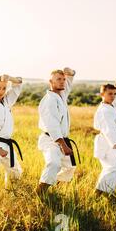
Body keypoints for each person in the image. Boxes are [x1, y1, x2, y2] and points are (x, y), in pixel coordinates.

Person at [36, 68, 79, 196]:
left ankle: (57, 191)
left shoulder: (61, 95)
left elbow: (69, 81)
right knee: (53, 163)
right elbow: (52, 125)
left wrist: (70, 72)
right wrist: (63, 145)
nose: (62, 82)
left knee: (70, 167)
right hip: (51, 140)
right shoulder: (49, 100)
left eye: (63, 79)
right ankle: (40, 192)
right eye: (58, 79)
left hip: (62, 139)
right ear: (51, 82)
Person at [93, 81, 116, 196]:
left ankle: (101, 193)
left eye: (114, 93)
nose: (113, 96)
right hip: (107, 142)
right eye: (110, 94)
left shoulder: (110, 106)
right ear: (102, 95)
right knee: (114, 168)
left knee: (111, 168)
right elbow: (110, 129)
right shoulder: (104, 111)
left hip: (111, 142)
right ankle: (102, 193)